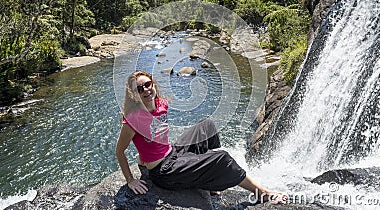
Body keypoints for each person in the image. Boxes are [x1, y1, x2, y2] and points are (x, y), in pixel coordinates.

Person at [115, 70, 287, 204]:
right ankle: (262, 193)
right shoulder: (132, 120)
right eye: (139, 89)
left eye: (147, 84)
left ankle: (210, 179)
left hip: (173, 152)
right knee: (222, 158)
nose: (145, 90)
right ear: (134, 94)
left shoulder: (161, 104)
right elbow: (119, 152)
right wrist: (130, 180)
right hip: (163, 171)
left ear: (152, 83)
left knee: (208, 126)